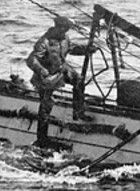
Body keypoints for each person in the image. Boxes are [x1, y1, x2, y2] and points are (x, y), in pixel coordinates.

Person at [26, 15, 94, 147]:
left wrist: (86, 50)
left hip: (61, 69)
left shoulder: (64, 39)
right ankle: (42, 138)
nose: (64, 32)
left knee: (78, 81)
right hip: (47, 75)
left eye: (66, 30)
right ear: (57, 27)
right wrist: (41, 70)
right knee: (46, 106)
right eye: (62, 29)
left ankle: (78, 112)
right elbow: (31, 60)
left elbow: (71, 48)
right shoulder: (44, 42)